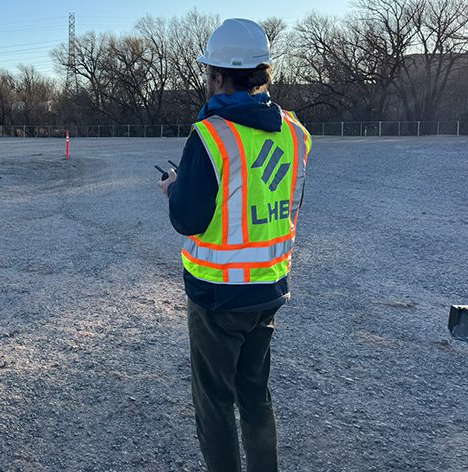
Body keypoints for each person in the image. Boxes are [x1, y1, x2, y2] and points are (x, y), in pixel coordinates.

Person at [158, 18, 311, 472]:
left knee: (215, 402)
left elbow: (188, 218)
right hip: (269, 286)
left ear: (218, 76)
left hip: (218, 293)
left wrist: (175, 187)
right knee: (255, 395)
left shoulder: (211, 134)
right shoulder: (295, 132)